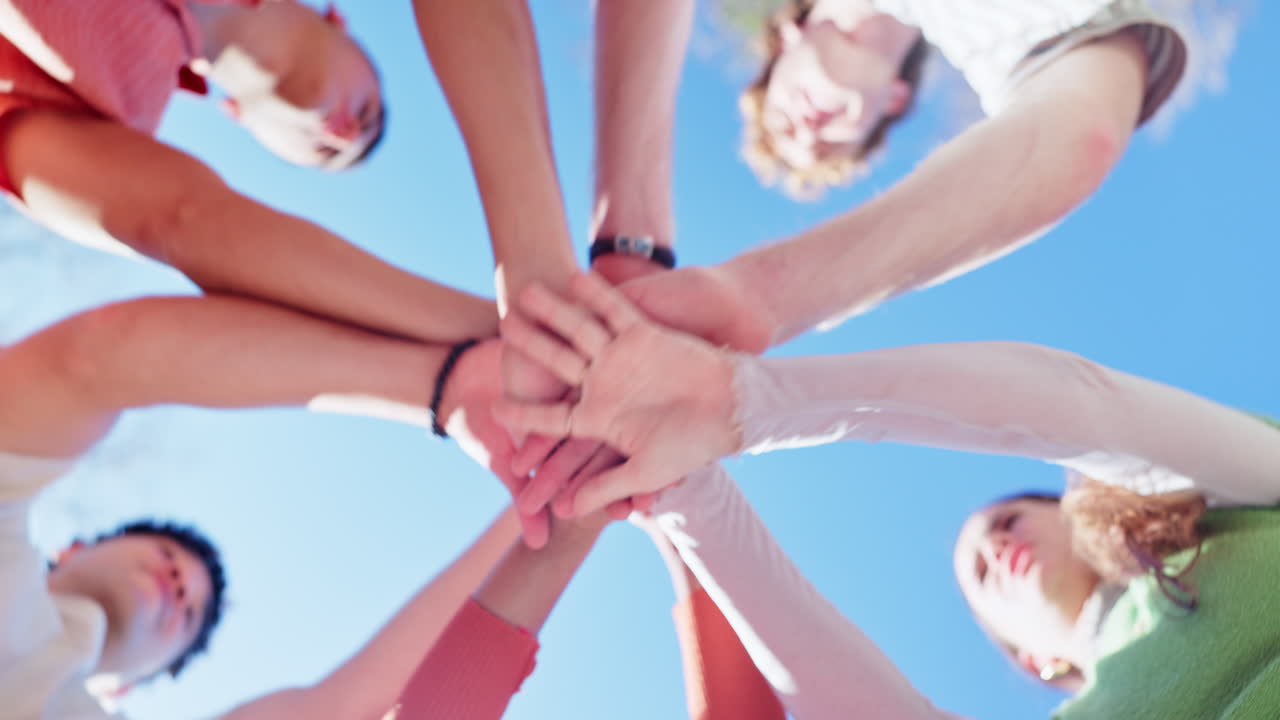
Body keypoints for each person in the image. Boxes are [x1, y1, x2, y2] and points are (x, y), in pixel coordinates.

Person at [496, 274, 1280, 718]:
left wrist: (743, 400)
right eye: (979, 579)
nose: (992, 549)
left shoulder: (1231, 511)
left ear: (1082, 510)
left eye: (1008, 518)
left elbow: (1085, 406)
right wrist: (685, 492)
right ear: (1036, 663)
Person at [0, 0, 498, 352]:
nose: (344, 135)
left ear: (241, 118)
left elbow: (183, 222)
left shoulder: (106, 117)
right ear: (338, 19)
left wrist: (497, 334)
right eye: (365, 112)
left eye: (325, 152)